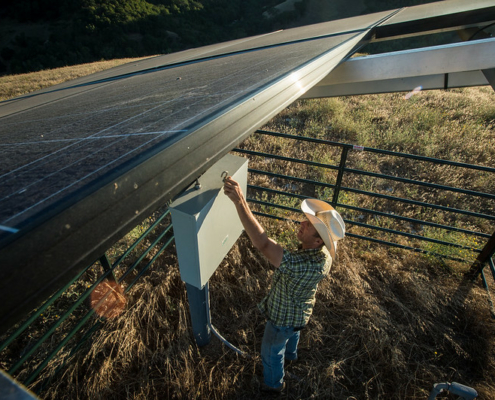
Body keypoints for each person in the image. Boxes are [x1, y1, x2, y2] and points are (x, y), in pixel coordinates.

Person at [223, 176, 345, 393]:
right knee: (293, 333)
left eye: (309, 226)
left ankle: (273, 385)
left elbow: (263, 245)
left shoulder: (301, 265)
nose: (302, 223)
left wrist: (240, 201)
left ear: (318, 241)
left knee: (270, 350)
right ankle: (291, 356)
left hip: (283, 318)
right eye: (307, 219)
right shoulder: (323, 254)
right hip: (300, 313)